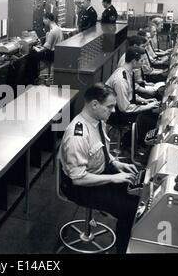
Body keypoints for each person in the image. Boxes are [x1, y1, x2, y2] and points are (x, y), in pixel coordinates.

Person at [58, 83, 139, 254]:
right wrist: (113, 178)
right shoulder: (77, 135)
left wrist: (116, 163)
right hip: (79, 187)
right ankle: (123, 250)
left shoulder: (98, 120)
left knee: (137, 192)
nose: (113, 111)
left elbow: (101, 149)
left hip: (99, 172)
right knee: (130, 209)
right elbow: (78, 178)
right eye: (109, 106)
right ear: (94, 104)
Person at [106, 47, 160, 147]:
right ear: (134, 61)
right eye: (142, 60)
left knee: (153, 114)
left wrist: (146, 101)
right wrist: (148, 106)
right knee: (150, 120)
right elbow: (124, 108)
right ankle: (133, 146)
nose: (143, 63)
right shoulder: (120, 80)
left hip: (125, 108)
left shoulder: (128, 72)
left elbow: (131, 94)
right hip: (117, 115)